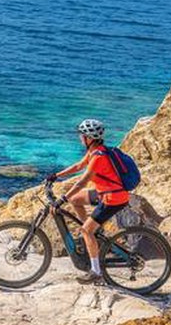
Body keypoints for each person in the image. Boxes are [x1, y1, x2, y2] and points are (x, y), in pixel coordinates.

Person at [47, 118, 131, 284]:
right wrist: (57, 175)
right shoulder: (96, 151)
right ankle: (94, 233)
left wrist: (61, 199)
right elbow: (78, 166)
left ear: (89, 138)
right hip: (104, 193)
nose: (80, 138)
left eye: (82, 135)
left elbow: (82, 181)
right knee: (75, 199)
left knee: (86, 231)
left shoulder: (99, 157)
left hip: (112, 198)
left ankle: (96, 271)